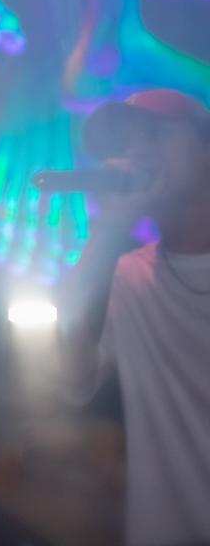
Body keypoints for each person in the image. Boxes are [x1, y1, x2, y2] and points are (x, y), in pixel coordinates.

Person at [58, 88, 210, 546]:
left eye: (153, 133)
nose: (136, 151)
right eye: (125, 142)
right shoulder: (127, 277)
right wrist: (108, 230)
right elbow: (68, 374)